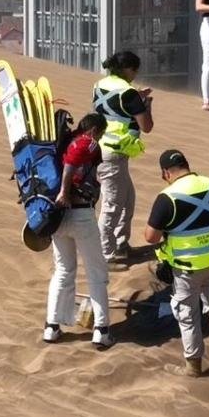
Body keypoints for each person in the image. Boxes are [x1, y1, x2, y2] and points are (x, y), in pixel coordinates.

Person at [144, 150, 209, 378]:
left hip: (187, 265)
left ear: (166, 173)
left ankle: (193, 366)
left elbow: (151, 237)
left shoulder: (168, 197)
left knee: (187, 313)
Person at [43, 113, 112, 347]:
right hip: (79, 213)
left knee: (63, 270)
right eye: (101, 133)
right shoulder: (87, 142)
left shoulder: (65, 140)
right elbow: (72, 163)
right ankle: (101, 330)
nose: (100, 138)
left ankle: (52, 326)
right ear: (94, 130)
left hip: (58, 218)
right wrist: (64, 191)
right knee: (97, 272)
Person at [93, 51, 154, 269]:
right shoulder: (129, 93)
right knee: (112, 205)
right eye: (135, 70)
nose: (136, 74)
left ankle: (121, 244)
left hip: (105, 149)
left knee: (127, 199)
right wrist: (145, 104)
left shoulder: (100, 84)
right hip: (114, 152)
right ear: (127, 69)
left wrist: (136, 97)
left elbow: (114, 107)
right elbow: (146, 126)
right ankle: (105, 255)